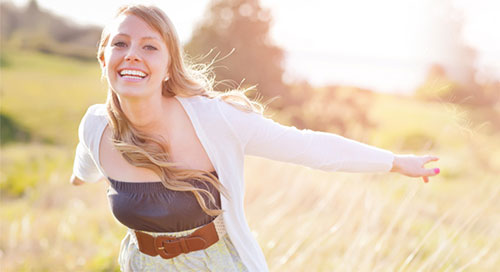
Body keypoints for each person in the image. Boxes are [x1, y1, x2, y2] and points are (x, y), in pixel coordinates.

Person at [70, 4, 440, 272]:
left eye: (149, 46)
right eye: (120, 44)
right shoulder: (96, 127)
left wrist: (393, 162)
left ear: (168, 66)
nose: (132, 55)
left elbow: (309, 146)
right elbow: (85, 165)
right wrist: (78, 177)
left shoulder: (216, 120)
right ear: (104, 59)